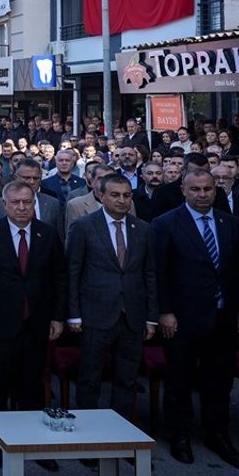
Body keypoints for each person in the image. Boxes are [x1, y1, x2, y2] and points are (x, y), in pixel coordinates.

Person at [152, 170, 239, 468]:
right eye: (195, 189)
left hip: (223, 316)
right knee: (179, 378)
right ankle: (179, 434)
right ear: (183, 190)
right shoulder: (166, 224)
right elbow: (159, 272)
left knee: (219, 379)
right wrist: (165, 311)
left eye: (208, 188)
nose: (202, 194)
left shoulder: (230, 223)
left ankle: (217, 433)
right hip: (182, 318)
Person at [0, 179, 66, 471]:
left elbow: (60, 278)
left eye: (27, 202)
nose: (22, 208)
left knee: (32, 387)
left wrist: (57, 317)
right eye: (16, 203)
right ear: (5, 205)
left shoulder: (47, 234)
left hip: (37, 323)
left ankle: (33, 445)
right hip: (0, 324)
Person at [66, 174, 157, 420]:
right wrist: (73, 315)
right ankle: (88, 439)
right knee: (90, 378)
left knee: (127, 379)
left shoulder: (143, 229)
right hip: (95, 315)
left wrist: (151, 317)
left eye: (127, 195)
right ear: (101, 196)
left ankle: (121, 435)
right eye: (115, 195)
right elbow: (73, 271)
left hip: (132, 316)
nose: (122, 200)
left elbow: (149, 274)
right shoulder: (84, 226)